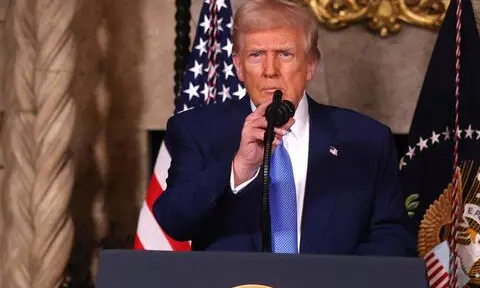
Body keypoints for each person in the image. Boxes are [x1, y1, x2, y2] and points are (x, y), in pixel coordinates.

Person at [152, 0, 416, 256]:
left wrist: (340, 287)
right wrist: (238, 167)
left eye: (285, 54)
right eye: (256, 55)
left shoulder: (367, 139)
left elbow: (391, 237)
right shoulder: (197, 130)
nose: (270, 70)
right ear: (239, 67)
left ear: (310, 65)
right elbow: (174, 220)